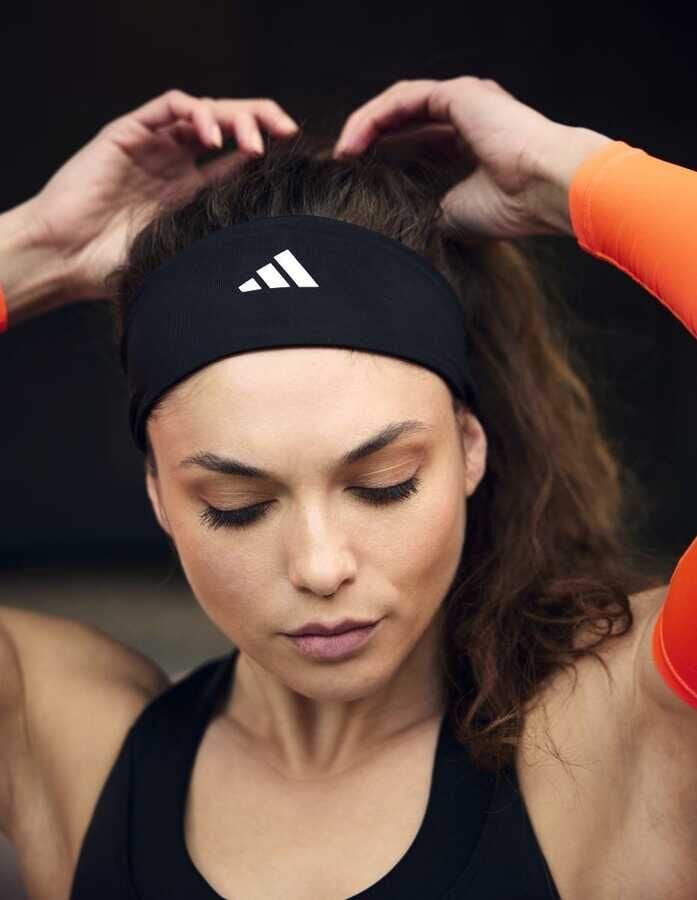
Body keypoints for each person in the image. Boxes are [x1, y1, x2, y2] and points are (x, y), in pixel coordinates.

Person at [0, 77, 694, 899]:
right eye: (236, 506)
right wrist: (35, 249)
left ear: (469, 450)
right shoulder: (65, 735)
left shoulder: (622, 731)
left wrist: (576, 173)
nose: (320, 566)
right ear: (158, 493)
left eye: (384, 485)